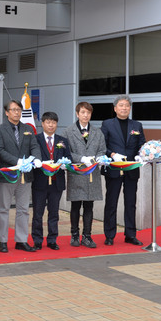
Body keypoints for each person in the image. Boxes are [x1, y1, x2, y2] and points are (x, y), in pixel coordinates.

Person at [0, 100, 41, 253]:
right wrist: (17, 161)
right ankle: (3, 241)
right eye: (13, 110)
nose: (16, 112)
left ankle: (21, 240)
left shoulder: (28, 128)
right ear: (6, 112)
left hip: (25, 175)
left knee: (23, 209)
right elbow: (0, 150)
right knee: (4, 209)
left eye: (18, 110)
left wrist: (36, 158)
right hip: (7, 174)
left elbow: (34, 146)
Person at [101, 95, 146, 246]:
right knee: (111, 202)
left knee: (131, 203)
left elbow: (142, 144)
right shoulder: (107, 124)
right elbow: (102, 146)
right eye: (121, 105)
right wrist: (112, 155)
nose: (124, 108)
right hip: (114, 169)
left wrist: (142, 155)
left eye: (127, 105)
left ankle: (130, 234)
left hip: (131, 170)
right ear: (115, 108)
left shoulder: (137, 125)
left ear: (130, 108)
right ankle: (109, 235)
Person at [64, 102, 106, 248]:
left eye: (88, 113)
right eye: (82, 112)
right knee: (75, 206)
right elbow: (66, 152)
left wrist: (100, 158)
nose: (85, 115)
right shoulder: (69, 131)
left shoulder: (97, 132)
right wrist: (81, 158)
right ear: (77, 114)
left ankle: (87, 236)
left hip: (92, 174)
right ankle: (74, 234)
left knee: (89, 206)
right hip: (76, 172)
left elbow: (102, 149)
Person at [31, 112, 71, 250]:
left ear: (56, 124)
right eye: (48, 122)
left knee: (54, 212)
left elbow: (68, 157)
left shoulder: (63, 140)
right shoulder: (35, 139)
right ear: (42, 124)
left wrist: (66, 164)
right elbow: (32, 157)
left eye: (53, 122)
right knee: (38, 212)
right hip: (40, 182)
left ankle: (52, 239)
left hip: (56, 182)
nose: (51, 125)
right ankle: (37, 240)